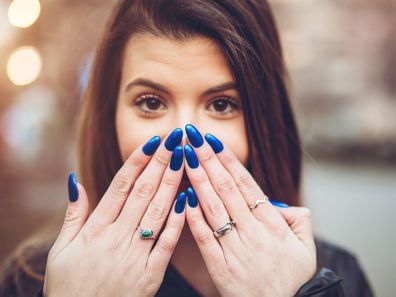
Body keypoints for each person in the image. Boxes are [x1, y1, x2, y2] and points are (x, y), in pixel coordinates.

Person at [0, 0, 373, 296]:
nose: (183, 135)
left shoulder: (331, 276)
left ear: (263, 122)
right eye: (150, 102)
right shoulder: (40, 279)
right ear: (109, 114)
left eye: (222, 104)